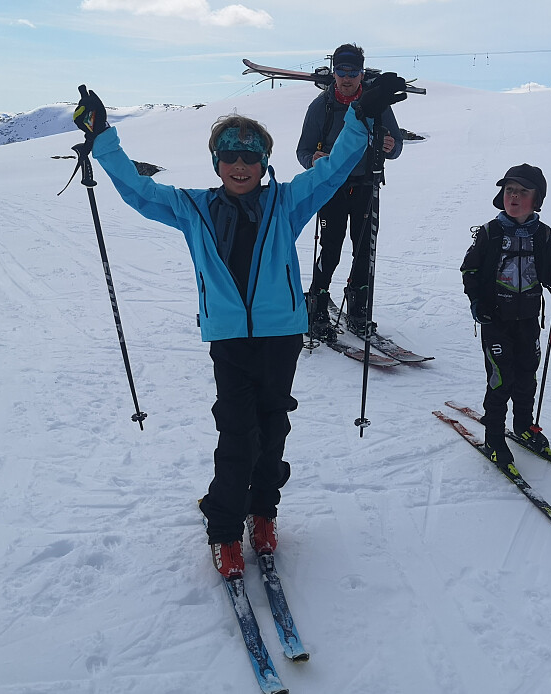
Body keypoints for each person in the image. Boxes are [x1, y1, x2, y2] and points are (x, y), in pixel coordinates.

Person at [72, 76, 406, 578]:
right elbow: (138, 190)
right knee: (237, 436)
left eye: (251, 156)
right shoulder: (193, 208)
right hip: (229, 340)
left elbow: (335, 167)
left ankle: (263, 512)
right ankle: (225, 528)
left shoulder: (287, 202)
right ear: (216, 163)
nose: (240, 165)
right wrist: (102, 138)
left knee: (272, 430)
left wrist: (360, 116)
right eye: (230, 155)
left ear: (265, 162)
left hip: (281, 337)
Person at [461, 164, 551, 471]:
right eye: (509, 190)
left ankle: (524, 425)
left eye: (523, 191)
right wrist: (476, 302)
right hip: (495, 319)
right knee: (501, 379)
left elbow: (546, 272)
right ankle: (494, 438)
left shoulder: (542, 233)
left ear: (537, 199)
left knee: (526, 376)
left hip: (528, 319)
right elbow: (470, 269)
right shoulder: (491, 232)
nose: (514, 196)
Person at [296, 43, 404, 341]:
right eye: (341, 71)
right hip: (331, 188)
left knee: (364, 251)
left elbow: (396, 145)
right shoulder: (321, 107)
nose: (346, 78)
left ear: (361, 73)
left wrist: (391, 146)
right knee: (330, 248)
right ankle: (316, 306)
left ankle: (358, 307)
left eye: (352, 72)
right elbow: (303, 150)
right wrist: (313, 160)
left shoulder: (378, 103)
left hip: (367, 185)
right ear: (333, 72)